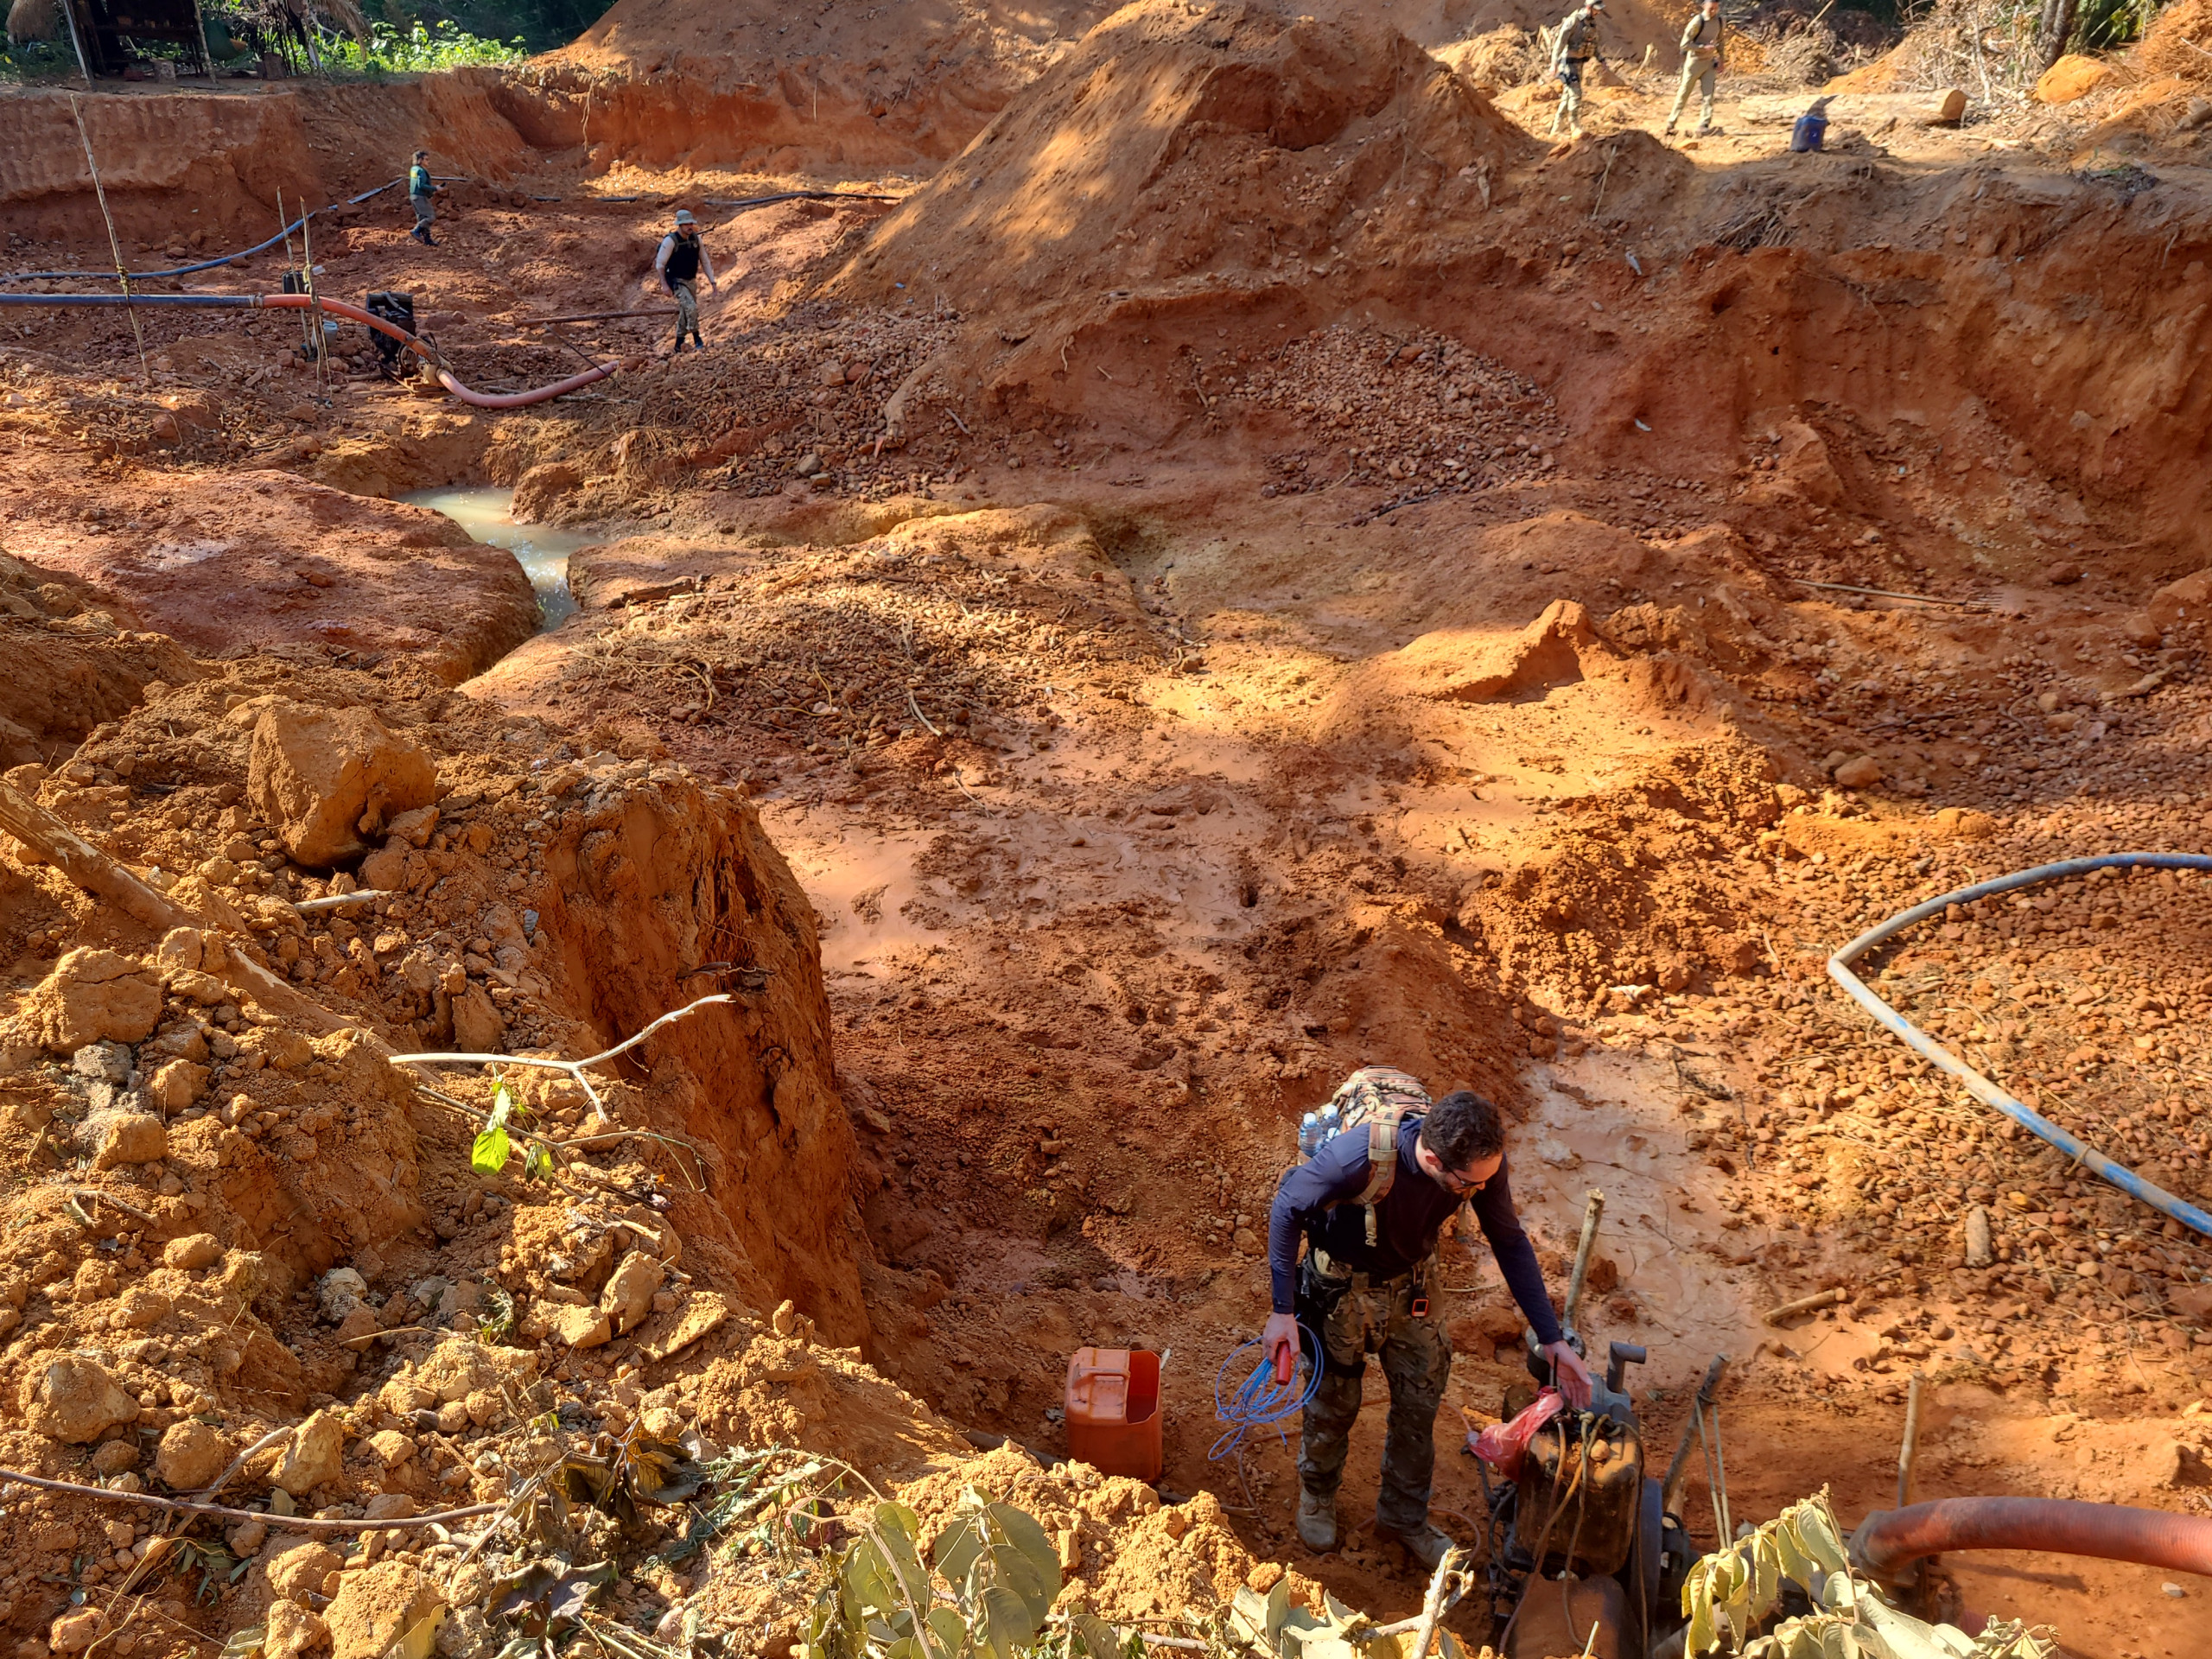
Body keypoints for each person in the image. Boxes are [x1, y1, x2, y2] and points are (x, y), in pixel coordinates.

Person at [1263, 1088, 1593, 1571]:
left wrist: (1553, 1338)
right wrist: (1282, 1310)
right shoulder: (1358, 1158)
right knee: (1334, 1402)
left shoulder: (1480, 1166)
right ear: (1434, 1159)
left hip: (1414, 1287)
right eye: (1468, 1186)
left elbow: (1508, 1239)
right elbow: (1287, 1206)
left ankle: (1404, 1516)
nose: (1478, 1192)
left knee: (1420, 1404)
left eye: (1485, 1180)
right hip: (1341, 1288)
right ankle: (1318, 1496)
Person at [653, 209, 718, 353]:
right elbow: (660, 264)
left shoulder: (696, 239)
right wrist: (664, 285)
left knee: (685, 310)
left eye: (691, 223)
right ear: (680, 225)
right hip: (676, 281)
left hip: (691, 281)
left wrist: (712, 282)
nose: (690, 226)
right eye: (686, 224)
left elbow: (705, 261)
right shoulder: (670, 241)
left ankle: (678, 343)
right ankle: (697, 338)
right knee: (691, 308)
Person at [1666, 0, 1726, 137]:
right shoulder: (1697, 22)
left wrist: (1722, 59)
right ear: (1704, 6)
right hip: (1694, 62)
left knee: (1708, 95)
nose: (1713, 11)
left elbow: (1721, 41)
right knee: (1684, 93)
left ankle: (1704, 125)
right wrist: (1702, 48)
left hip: (1709, 63)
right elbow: (1684, 45)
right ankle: (1671, 122)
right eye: (1711, 8)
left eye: (1716, 9)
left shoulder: (1720, 21)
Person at [1548, 0, 1606, 140]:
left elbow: (1594, 46)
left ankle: (1556, 128)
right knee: (1576, 93)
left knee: (1568, 95)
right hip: (1568, 63)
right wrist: (1554, 63)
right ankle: (1574, 125)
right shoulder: (1573, 21)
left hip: (1579, 63)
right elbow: (1560, 43)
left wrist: (1601, 60)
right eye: (1596, 9)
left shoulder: (1591, 24)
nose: (1598, 12)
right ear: (1588, 7)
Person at [407, 150, 439, 247]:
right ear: (420, 160)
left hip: (414, 196)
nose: (428, 162)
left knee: (422, 218)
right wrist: (435, 188)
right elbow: (421, 185)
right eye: (426, 159)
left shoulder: (414, 169)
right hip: (420, 196)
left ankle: (427, 239)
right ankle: (416, 231)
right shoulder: (421, 171)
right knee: (430, 217)